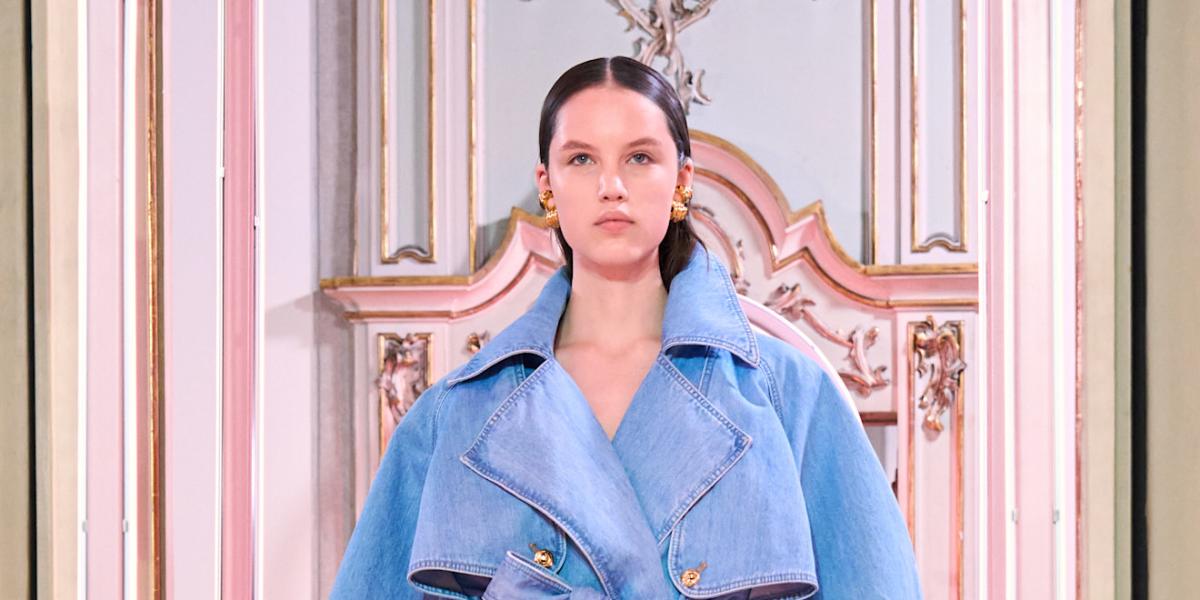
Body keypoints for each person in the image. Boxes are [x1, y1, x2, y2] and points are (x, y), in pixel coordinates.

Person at [330, 56, 922, 599]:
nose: (611, 186)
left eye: (639, 158)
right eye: (581, 159)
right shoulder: (454, 416)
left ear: (681, 181)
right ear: (547, 184)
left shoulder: (790, 398)